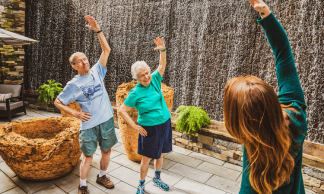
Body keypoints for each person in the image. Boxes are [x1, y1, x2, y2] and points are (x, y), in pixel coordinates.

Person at [223, 0, 308, 194]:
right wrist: (266, 14)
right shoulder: (296, 114)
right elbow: (284, 56)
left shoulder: (254, 166)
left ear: (242, 124)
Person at [54, 15, 117, 194]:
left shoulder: (97, 70)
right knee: (88, 157)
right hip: (88, 125)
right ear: (74, 66)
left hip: (106, 120)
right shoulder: (73, 85)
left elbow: (106, 50)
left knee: (106, 151)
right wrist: (75, 114)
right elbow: (57, 102)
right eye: (80, 61)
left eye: (85, 58)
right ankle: (82, 185)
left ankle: (102, 176)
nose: (85, 61)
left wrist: (97, 29)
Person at [118, 37, 171, 194]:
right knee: (147, 158)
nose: (146, 77)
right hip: (149, 127)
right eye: (142, 75)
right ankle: (141, 184)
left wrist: (162, 49)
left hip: (165, 123)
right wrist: (135, 126)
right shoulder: (135, 93)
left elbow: (162, 65)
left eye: (147, 73)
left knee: (160, 154)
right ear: (137, 78)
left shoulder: (155, 79)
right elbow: (122, 110)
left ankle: (157, 178)